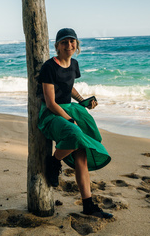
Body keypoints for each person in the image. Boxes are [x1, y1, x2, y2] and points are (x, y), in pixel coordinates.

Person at [36, 28, 112, 219]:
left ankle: (88, 205)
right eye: (64, 42)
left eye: (72, 41)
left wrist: (82, 101)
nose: (69, 45)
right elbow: (51, 102)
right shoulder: (49, 67)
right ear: (57, 46)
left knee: (82, 156)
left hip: (70, 108)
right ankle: (54, 161)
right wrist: (70, 119)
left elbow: (68, 88)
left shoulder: (74, 64)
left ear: (76, 44)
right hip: (52, 113)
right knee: (75, 134)